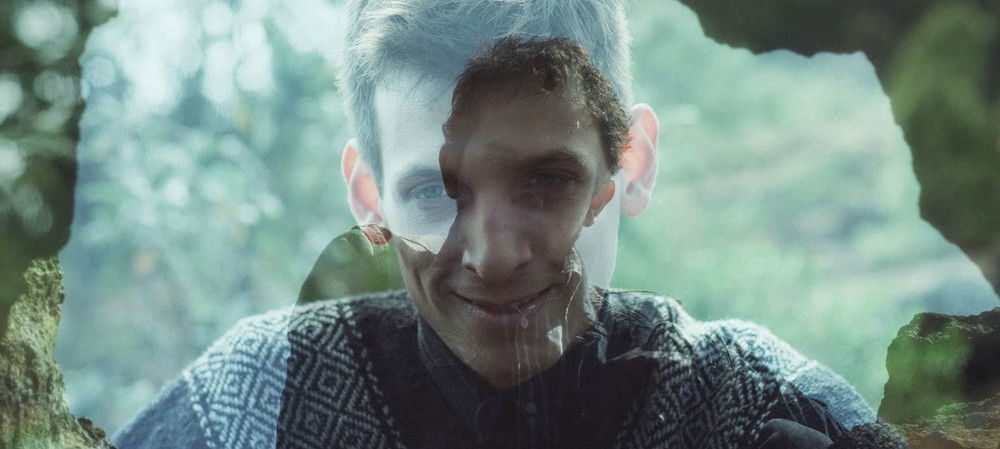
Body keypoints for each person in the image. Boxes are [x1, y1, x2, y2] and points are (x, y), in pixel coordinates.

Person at [113, 35, 893, 449]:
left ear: (629, 164)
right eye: (433, 191)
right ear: (369, 197)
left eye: (546, 181)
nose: (492, 254)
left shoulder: (753, 401)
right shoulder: (259, 398)